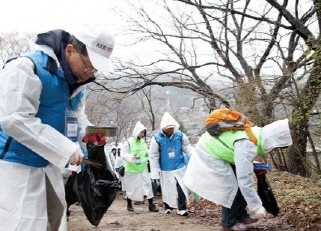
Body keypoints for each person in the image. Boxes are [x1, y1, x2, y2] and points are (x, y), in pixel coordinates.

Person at [0, 25, 115, 231]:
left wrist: (88, 133)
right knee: (23, 223)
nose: (91, 73)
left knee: (54, 220)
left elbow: (75, 117)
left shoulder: (78, 83)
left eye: (95, 69)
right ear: (70, 50)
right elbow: (15, 120)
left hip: (50, 165)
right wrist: (65, 148)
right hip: (16, 165)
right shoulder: (26, 68)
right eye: (89, 67)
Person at [183, 116, 293, 231]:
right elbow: (244, 180)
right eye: (276, 147)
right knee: (231, 189)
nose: (274, 150)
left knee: (239, 185)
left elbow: (242, 159)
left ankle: (240, 215)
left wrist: (254, 165)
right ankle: (228, 223)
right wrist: (257, 206)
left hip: (221, 152)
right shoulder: (246, 143)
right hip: (210, 154)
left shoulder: (255, 135)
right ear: (272, 140)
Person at [149, 112, 195, 216]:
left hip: (179, 165)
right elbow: (153, 155)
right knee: (167, 188)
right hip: (165, 168)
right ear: (163, 128)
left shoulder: (180, 135)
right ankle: (167, 206)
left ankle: (182, 208)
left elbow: (187, 146)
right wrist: (155, 170)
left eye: (171, 127)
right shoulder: (156, 138)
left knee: (182, 186)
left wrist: (192, 153)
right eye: (168, 128)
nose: (170, 130)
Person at [121, 121, 159, 212]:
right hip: (131, 169)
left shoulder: (143, 142)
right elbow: (123, 154)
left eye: (144, 133)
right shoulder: (128, 142)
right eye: (141, 132)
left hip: (142, 168)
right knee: (131, 187)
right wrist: (131, 157)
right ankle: (129, 204)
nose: (143, 134)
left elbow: (146, 153)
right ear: (136, 132)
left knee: (148, 185)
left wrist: (147, 159)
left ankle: (151, 204)